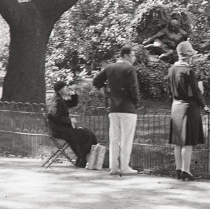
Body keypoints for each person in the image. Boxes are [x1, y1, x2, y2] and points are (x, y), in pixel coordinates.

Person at [92, 45, 141, 176]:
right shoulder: (130, 69)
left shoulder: (109, 68)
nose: (134, 58)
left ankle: (113, 166)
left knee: (114, 138)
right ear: (125, 56)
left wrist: (106, 92)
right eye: (133, 55)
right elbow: (134, 89)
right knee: (126, 138)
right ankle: (124, 166)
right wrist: (136, 103)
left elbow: (96, 81)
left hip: (113, 107)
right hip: (128, 108)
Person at [168, 41, 210, 181]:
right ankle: (186, 171)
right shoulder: (189, 71)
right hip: (188, 107)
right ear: (188, 54)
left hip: (175, 107)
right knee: (187, 142)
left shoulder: (171, 70)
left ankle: (178, 169)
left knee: (177, 142)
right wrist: (204, 105)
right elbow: (196, 92)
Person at [46, 81, 98, 168]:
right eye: (65, 87)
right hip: (58, 130)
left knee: (87, 133)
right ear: (60, 90)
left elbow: (73, 104)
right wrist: (70, 120)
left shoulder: (60, 99)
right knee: (85, 134)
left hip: (62, 128)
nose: (67, 88)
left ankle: (82, 158)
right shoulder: (57, 101)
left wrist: (74, 95)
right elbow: (55, 116)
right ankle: (82, 158)